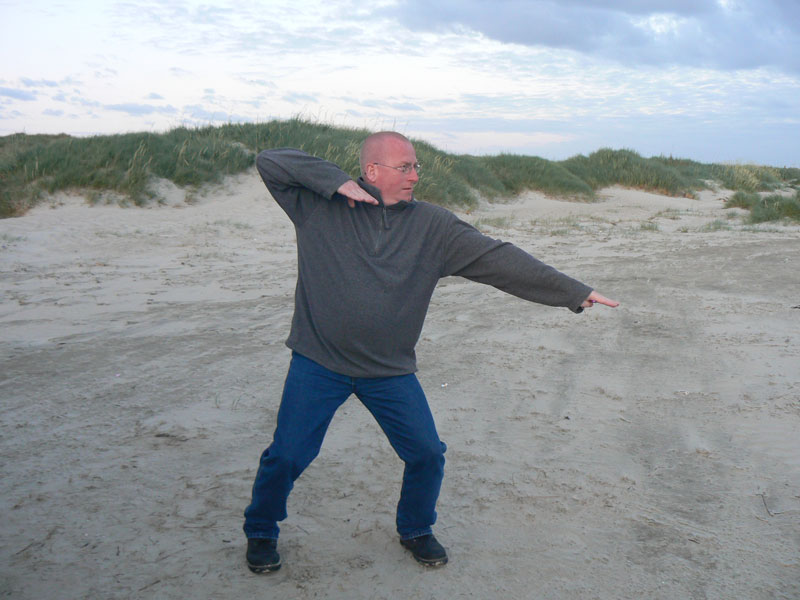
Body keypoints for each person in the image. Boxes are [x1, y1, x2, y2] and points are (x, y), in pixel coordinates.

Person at [243, 132, 618, 573]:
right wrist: (332, 181)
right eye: (404, 167)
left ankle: (416, 529)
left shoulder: (433, 227)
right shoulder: (318, 208)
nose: (415, 176)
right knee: (287, 455)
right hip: (318, 362)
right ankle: (261, 530)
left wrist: (572, 292)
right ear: (371, 171)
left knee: (426, 454)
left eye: (416, 167)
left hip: (388, 371)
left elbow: (500, 259)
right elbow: (271, 161)